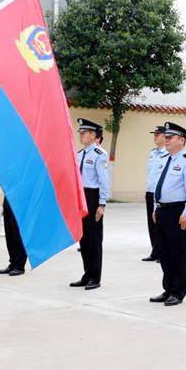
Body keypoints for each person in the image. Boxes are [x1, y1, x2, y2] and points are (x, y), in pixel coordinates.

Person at [149, 122, 186, 306]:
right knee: (163, 252)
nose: (167, 140)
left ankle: (178, 292)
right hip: (162, 211)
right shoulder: (163, 159)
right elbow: (159, 186)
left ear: (182, 140)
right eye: (166, 137)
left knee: (177, 253)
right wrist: (156, 208)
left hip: (178, 212)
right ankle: (168, 288)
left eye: (170, 138)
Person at [71, 119, 110, 290]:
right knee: (83, 238)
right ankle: (87, 274)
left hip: (93, 197)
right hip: (81, 197)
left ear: (93, 135)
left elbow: (104, 181)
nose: (80, 135)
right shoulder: (80, 154)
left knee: (94, 239)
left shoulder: (99, 154)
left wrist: (102, 204)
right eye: (80, 132)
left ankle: (95, 276)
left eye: (84, 132)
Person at [143, 126, 169, 263]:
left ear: (165, 137)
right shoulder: (153, 153)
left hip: (159, 194)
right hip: (150, 191)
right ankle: (155, 251)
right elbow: (150, 173)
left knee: (159, 223)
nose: (155, 137)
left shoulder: (167, 154)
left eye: (158, 134)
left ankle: (162, 252)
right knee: (150, 223)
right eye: (155, 134)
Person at [0, 198, 27, 276]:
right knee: (10, 236)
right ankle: (13, 263)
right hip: (8, 202)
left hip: (19, 205)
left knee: (18, 236)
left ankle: (19, 266)